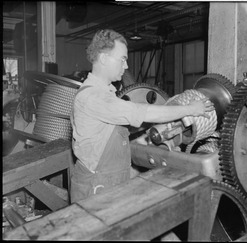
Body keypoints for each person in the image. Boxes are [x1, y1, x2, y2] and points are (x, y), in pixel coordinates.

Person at [70, 29, 215, 203]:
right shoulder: (93, 98)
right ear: (103, 58)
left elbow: (114, 141)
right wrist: (190, 109)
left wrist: (157, 139)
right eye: (122, 59)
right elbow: (143, 112)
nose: (126, 66)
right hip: (96, 188)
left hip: (112, 181)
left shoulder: (106, 94)